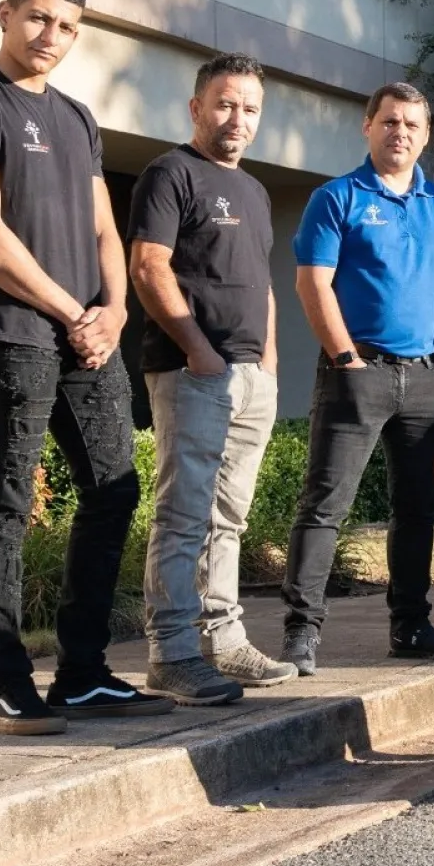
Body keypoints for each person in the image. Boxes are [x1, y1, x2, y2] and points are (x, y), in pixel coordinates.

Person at [0, 0, 173, 735]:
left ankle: (83, 672)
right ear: (5, 14)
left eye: (67, 25)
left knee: (114, 489)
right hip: (16, 335)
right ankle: (6, 680)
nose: (51, 37)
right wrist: (74, 311)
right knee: (7, 502)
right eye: (38, 18)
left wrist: (115, 310)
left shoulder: (76, 117)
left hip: (88, 338)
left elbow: (107, 226)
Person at [278, 82, 434, 673]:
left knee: (417, 509)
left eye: (412, 125)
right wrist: (345, 359)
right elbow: (312, 282)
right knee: (324, 504)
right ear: (368, 126)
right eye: (390, 121)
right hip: (355, 373)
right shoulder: (336, 197)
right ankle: (301, 631)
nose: (401, 133)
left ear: (426, 135)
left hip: (427, 378)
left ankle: (411, 627)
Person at [128, 52, 295, 703]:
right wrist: (199, 349)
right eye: (225, 104)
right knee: (184, 516)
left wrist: (269, 364)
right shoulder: (170, 174)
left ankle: (223, 641)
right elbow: (148, 266)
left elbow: (266, 286)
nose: (237, 118)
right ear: (196, 107)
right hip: (192, 373)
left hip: (251, 378)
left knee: (229, 518)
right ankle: (171, 652)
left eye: (250, 108)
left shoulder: (252, 191)